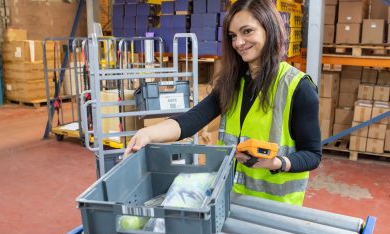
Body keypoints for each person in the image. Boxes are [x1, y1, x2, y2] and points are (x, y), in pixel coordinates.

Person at [124, 0, 321, 206]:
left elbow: (312, 155)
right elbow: (192, 119)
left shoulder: (298, 88)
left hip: (275, 211)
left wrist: (277, 162)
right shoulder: (233, 83)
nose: (238, 42)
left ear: (269, 29)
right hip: (228, 200)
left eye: (247, 31)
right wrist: (147, 134)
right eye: (233, 36)